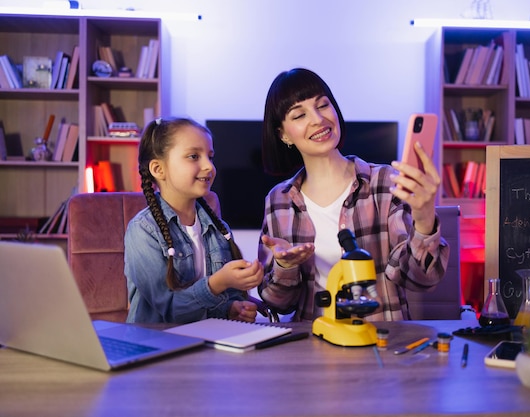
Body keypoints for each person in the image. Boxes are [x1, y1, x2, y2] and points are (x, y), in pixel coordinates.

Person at [258, 68, 450, 322]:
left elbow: (419, 280)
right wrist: (285, 266)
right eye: (299, 115)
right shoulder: (279, 200)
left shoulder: (385, 183)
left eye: (323, 105)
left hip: (380, 344)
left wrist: (425, 220)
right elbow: (278, 303)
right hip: (312, 346)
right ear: (283, 135)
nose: (318, 119)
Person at [124, 117, 262, 323]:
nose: (209, 166)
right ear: (158, 169)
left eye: (210, 156)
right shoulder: (142, 230)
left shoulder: (219, 229)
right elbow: (169, 309)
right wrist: (217, 283)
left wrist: (232, 308)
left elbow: (222, 298)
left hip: (206, 344)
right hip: (158, 347)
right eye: (193, 156)